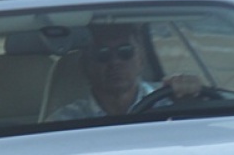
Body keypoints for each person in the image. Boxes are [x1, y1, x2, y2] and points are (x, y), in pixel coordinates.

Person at [49, 23, 202, 120]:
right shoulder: (65, 120)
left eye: (125, 52)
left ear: (141, 59)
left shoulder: (172, 102)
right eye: (103, 54)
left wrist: (192, 98)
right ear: (86, 66)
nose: (115, 62)